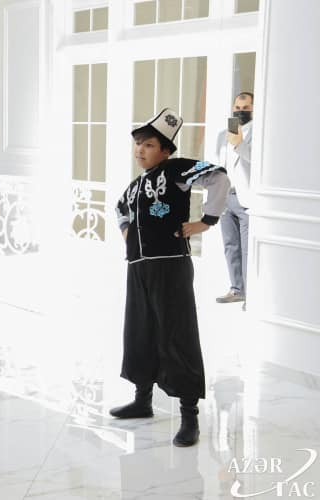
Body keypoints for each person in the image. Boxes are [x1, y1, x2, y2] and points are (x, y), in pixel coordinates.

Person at [110, 108, 230, 447]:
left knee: (177, 335)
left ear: (165, 151)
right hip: (138, 268)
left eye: (148, 145)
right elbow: (119, 208)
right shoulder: (135, 186)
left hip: (171, 266)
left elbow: (219, 178)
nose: (140, 150)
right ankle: (142, 400)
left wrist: (206, 221)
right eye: (138, 144)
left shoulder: (176, 170)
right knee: (140, 331)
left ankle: (189, 417)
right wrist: (127, 233)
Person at [215, 92, 253, 305]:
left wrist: (239, 143)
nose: (240, 111)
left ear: (253, 109)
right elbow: (219, 165)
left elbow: (256, 160)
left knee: (247, 249)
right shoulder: (224, 134)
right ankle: (237, 289)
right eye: (237, 107)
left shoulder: (258, 132)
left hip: (246, 198)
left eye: (246, 108)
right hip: (226, 197)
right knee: (230, 245)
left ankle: (251, 294)